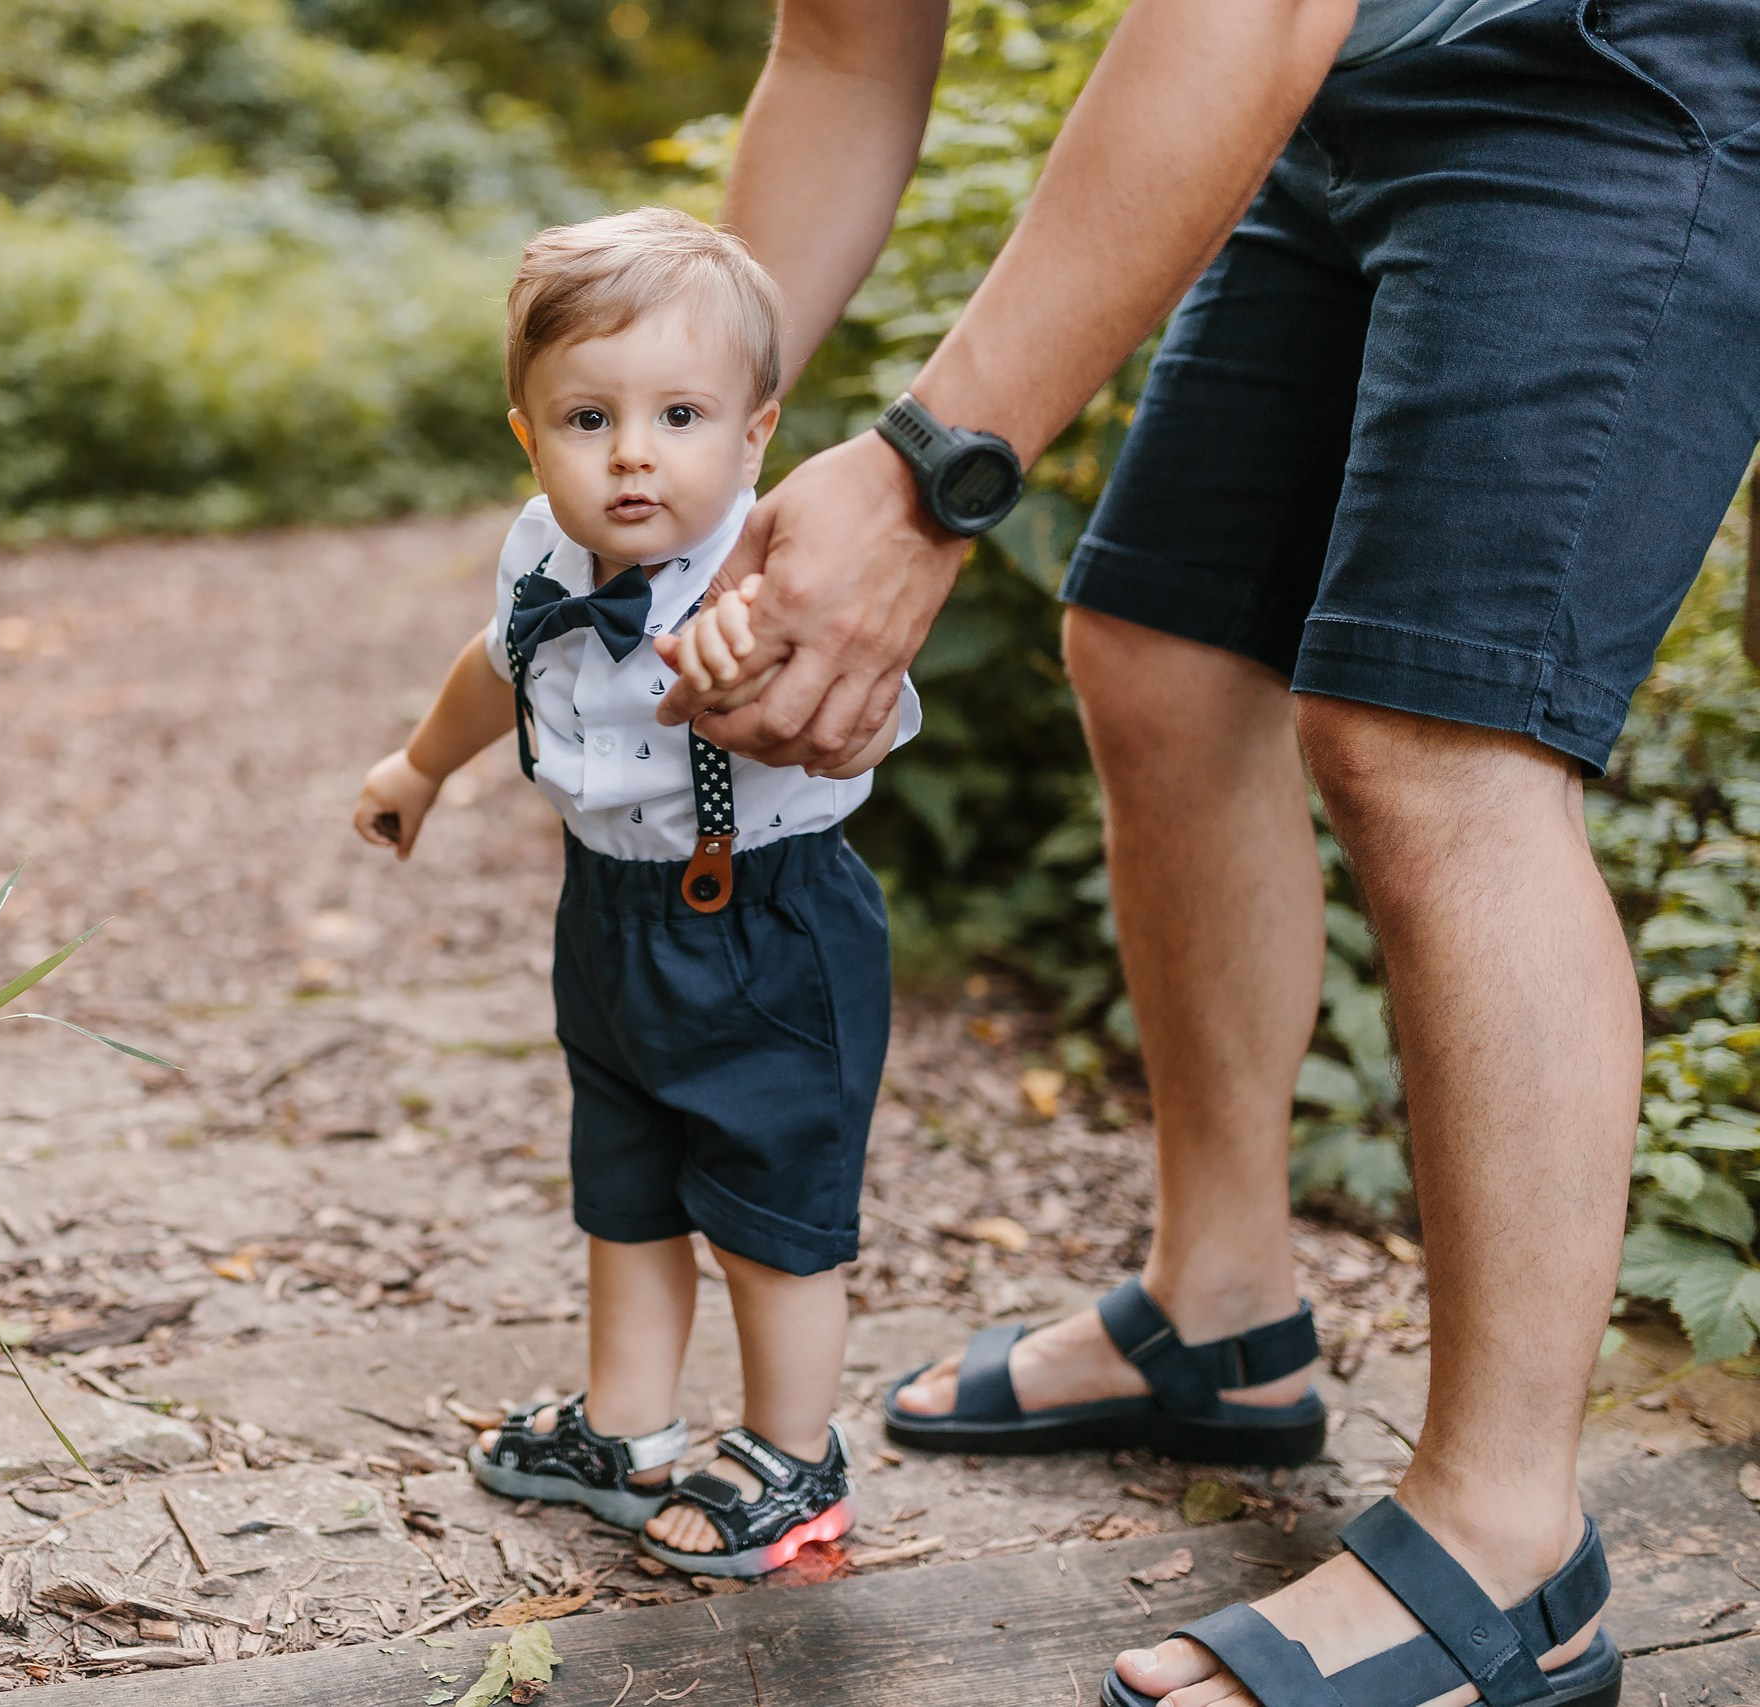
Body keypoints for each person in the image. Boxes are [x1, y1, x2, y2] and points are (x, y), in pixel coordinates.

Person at [658, 0, 1760, 1702]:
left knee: (1435, 742)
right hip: (1359, 83)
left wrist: (926, 478)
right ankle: (1222, 1311)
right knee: (1164, 653)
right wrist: (684, 456)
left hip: (1626, 65)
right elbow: (845, 60)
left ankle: (1511, 1544)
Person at [352, 207, 919, 1577]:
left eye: (679, 415)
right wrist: (421, 767)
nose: (633, 454)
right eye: (588, 419)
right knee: (627, 1180)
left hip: (764, 920)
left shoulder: (776, 578)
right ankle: (627, 1429)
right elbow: (498, 664)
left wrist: (764, 678)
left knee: (772, 1207)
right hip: (607, 916)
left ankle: (793, 1455)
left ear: (756, 433)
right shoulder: (540, 556)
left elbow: (873, 718)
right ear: (527, 437)